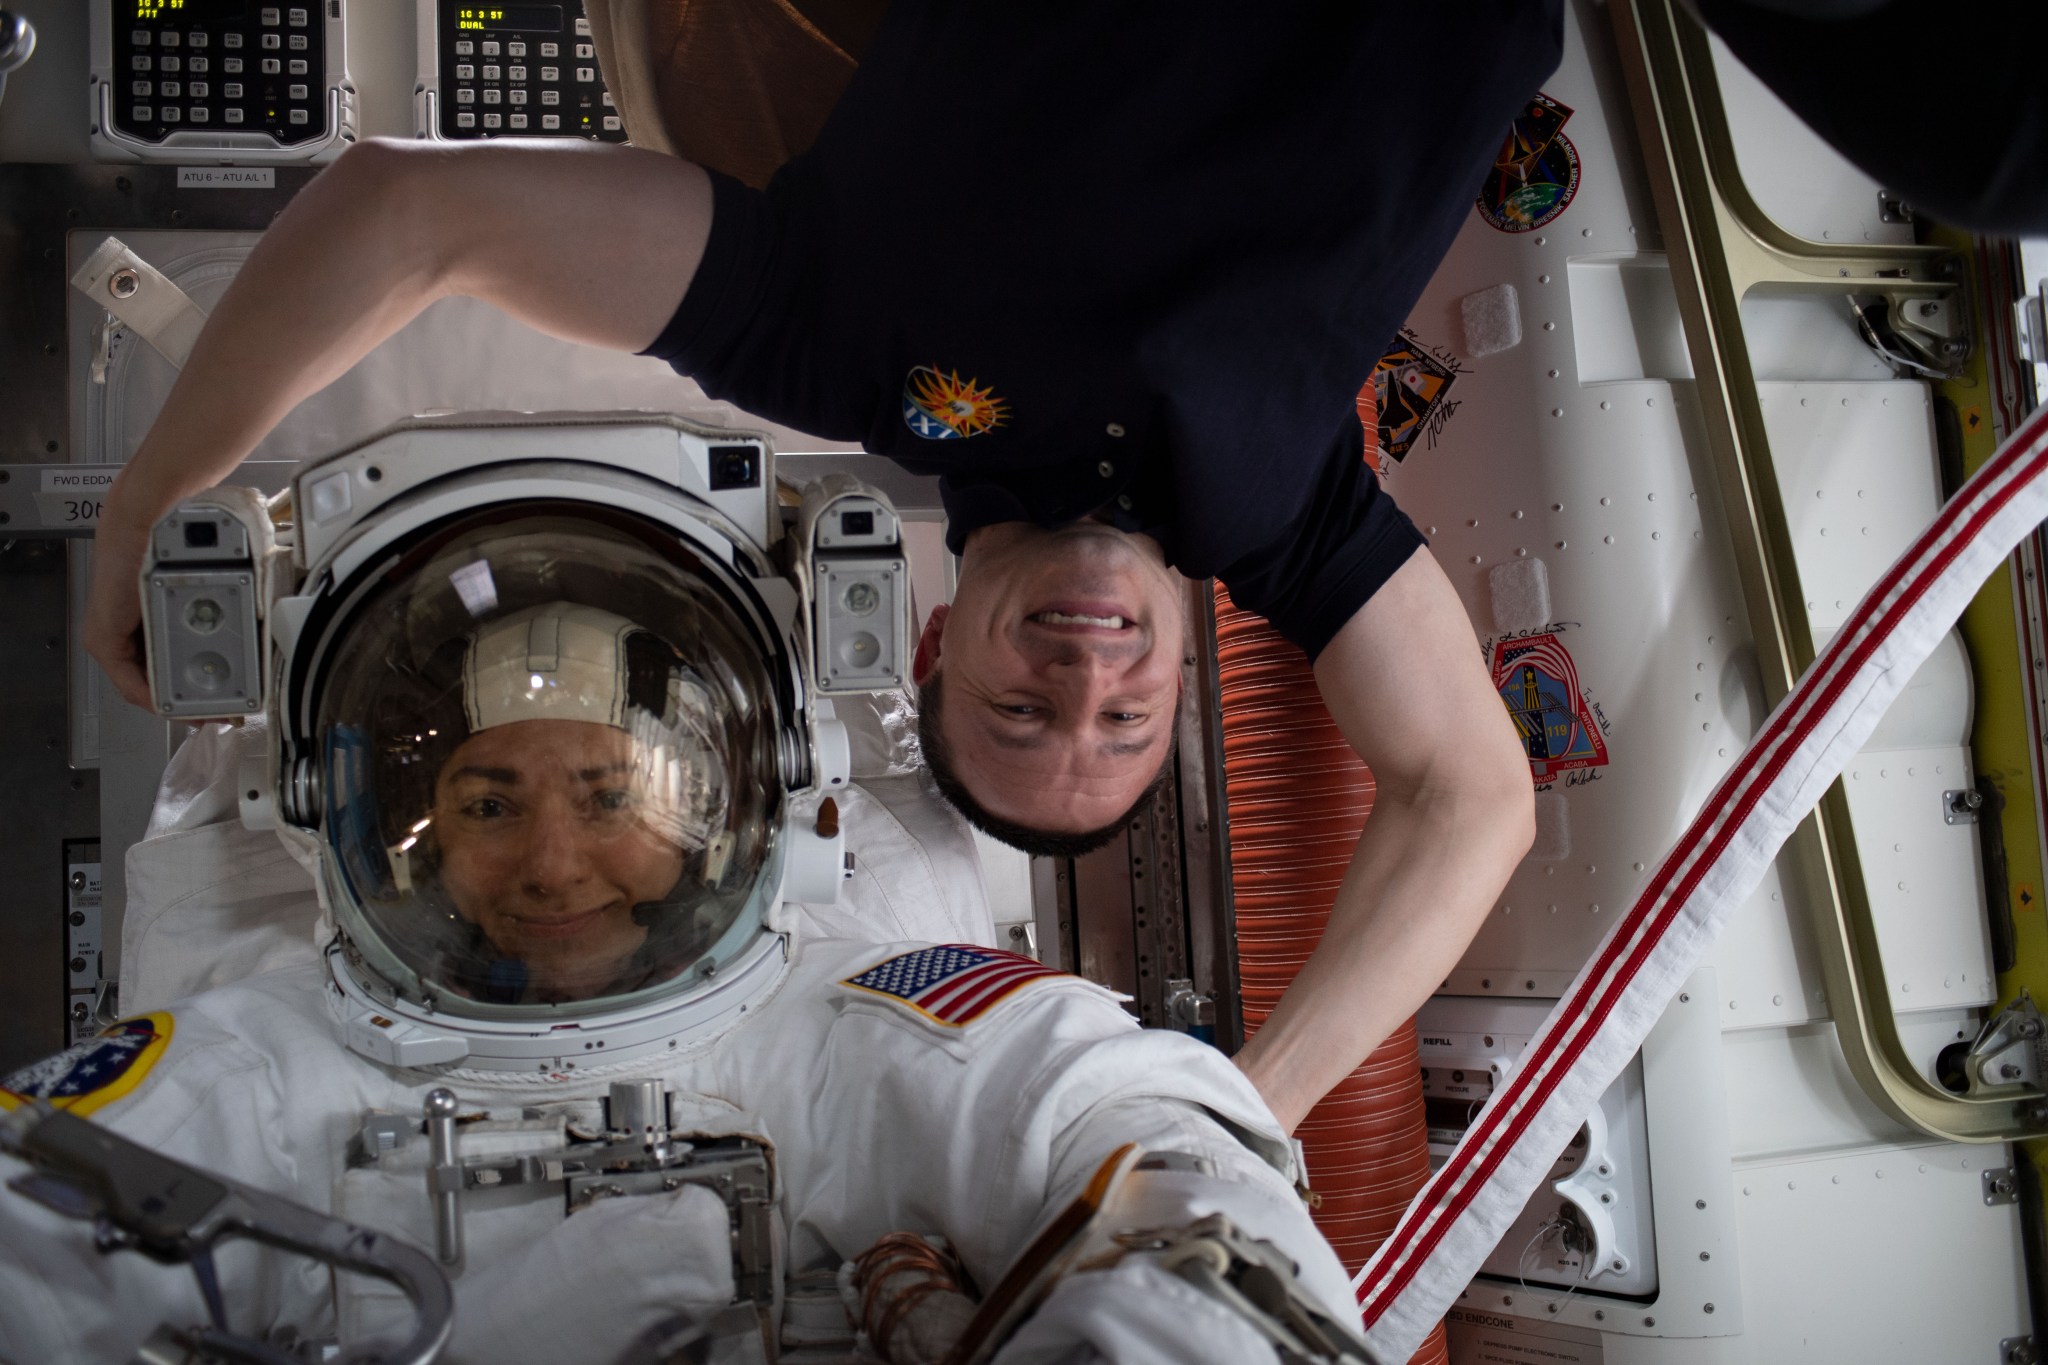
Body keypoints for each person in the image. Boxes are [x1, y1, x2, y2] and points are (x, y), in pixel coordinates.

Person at [83, 5, 1559, 1132]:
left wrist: (151, 495)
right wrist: (1245, 1105)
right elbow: (1473, 798)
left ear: (928, 648)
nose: (1084, 677)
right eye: (1122, 719)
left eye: (1023, 713)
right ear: (1185, 655)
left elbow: (410, 211)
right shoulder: (1288, 510)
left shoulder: (838, 345)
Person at [5, 457, 1369, 1364]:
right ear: (373, 823)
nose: (553, 863)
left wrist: (1183, 1301)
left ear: (719, 809)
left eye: (610, 793)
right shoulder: (267, 1062)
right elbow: (37, 1220)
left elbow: (1114, 1116)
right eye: (487, 800)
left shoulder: (830, 1023)